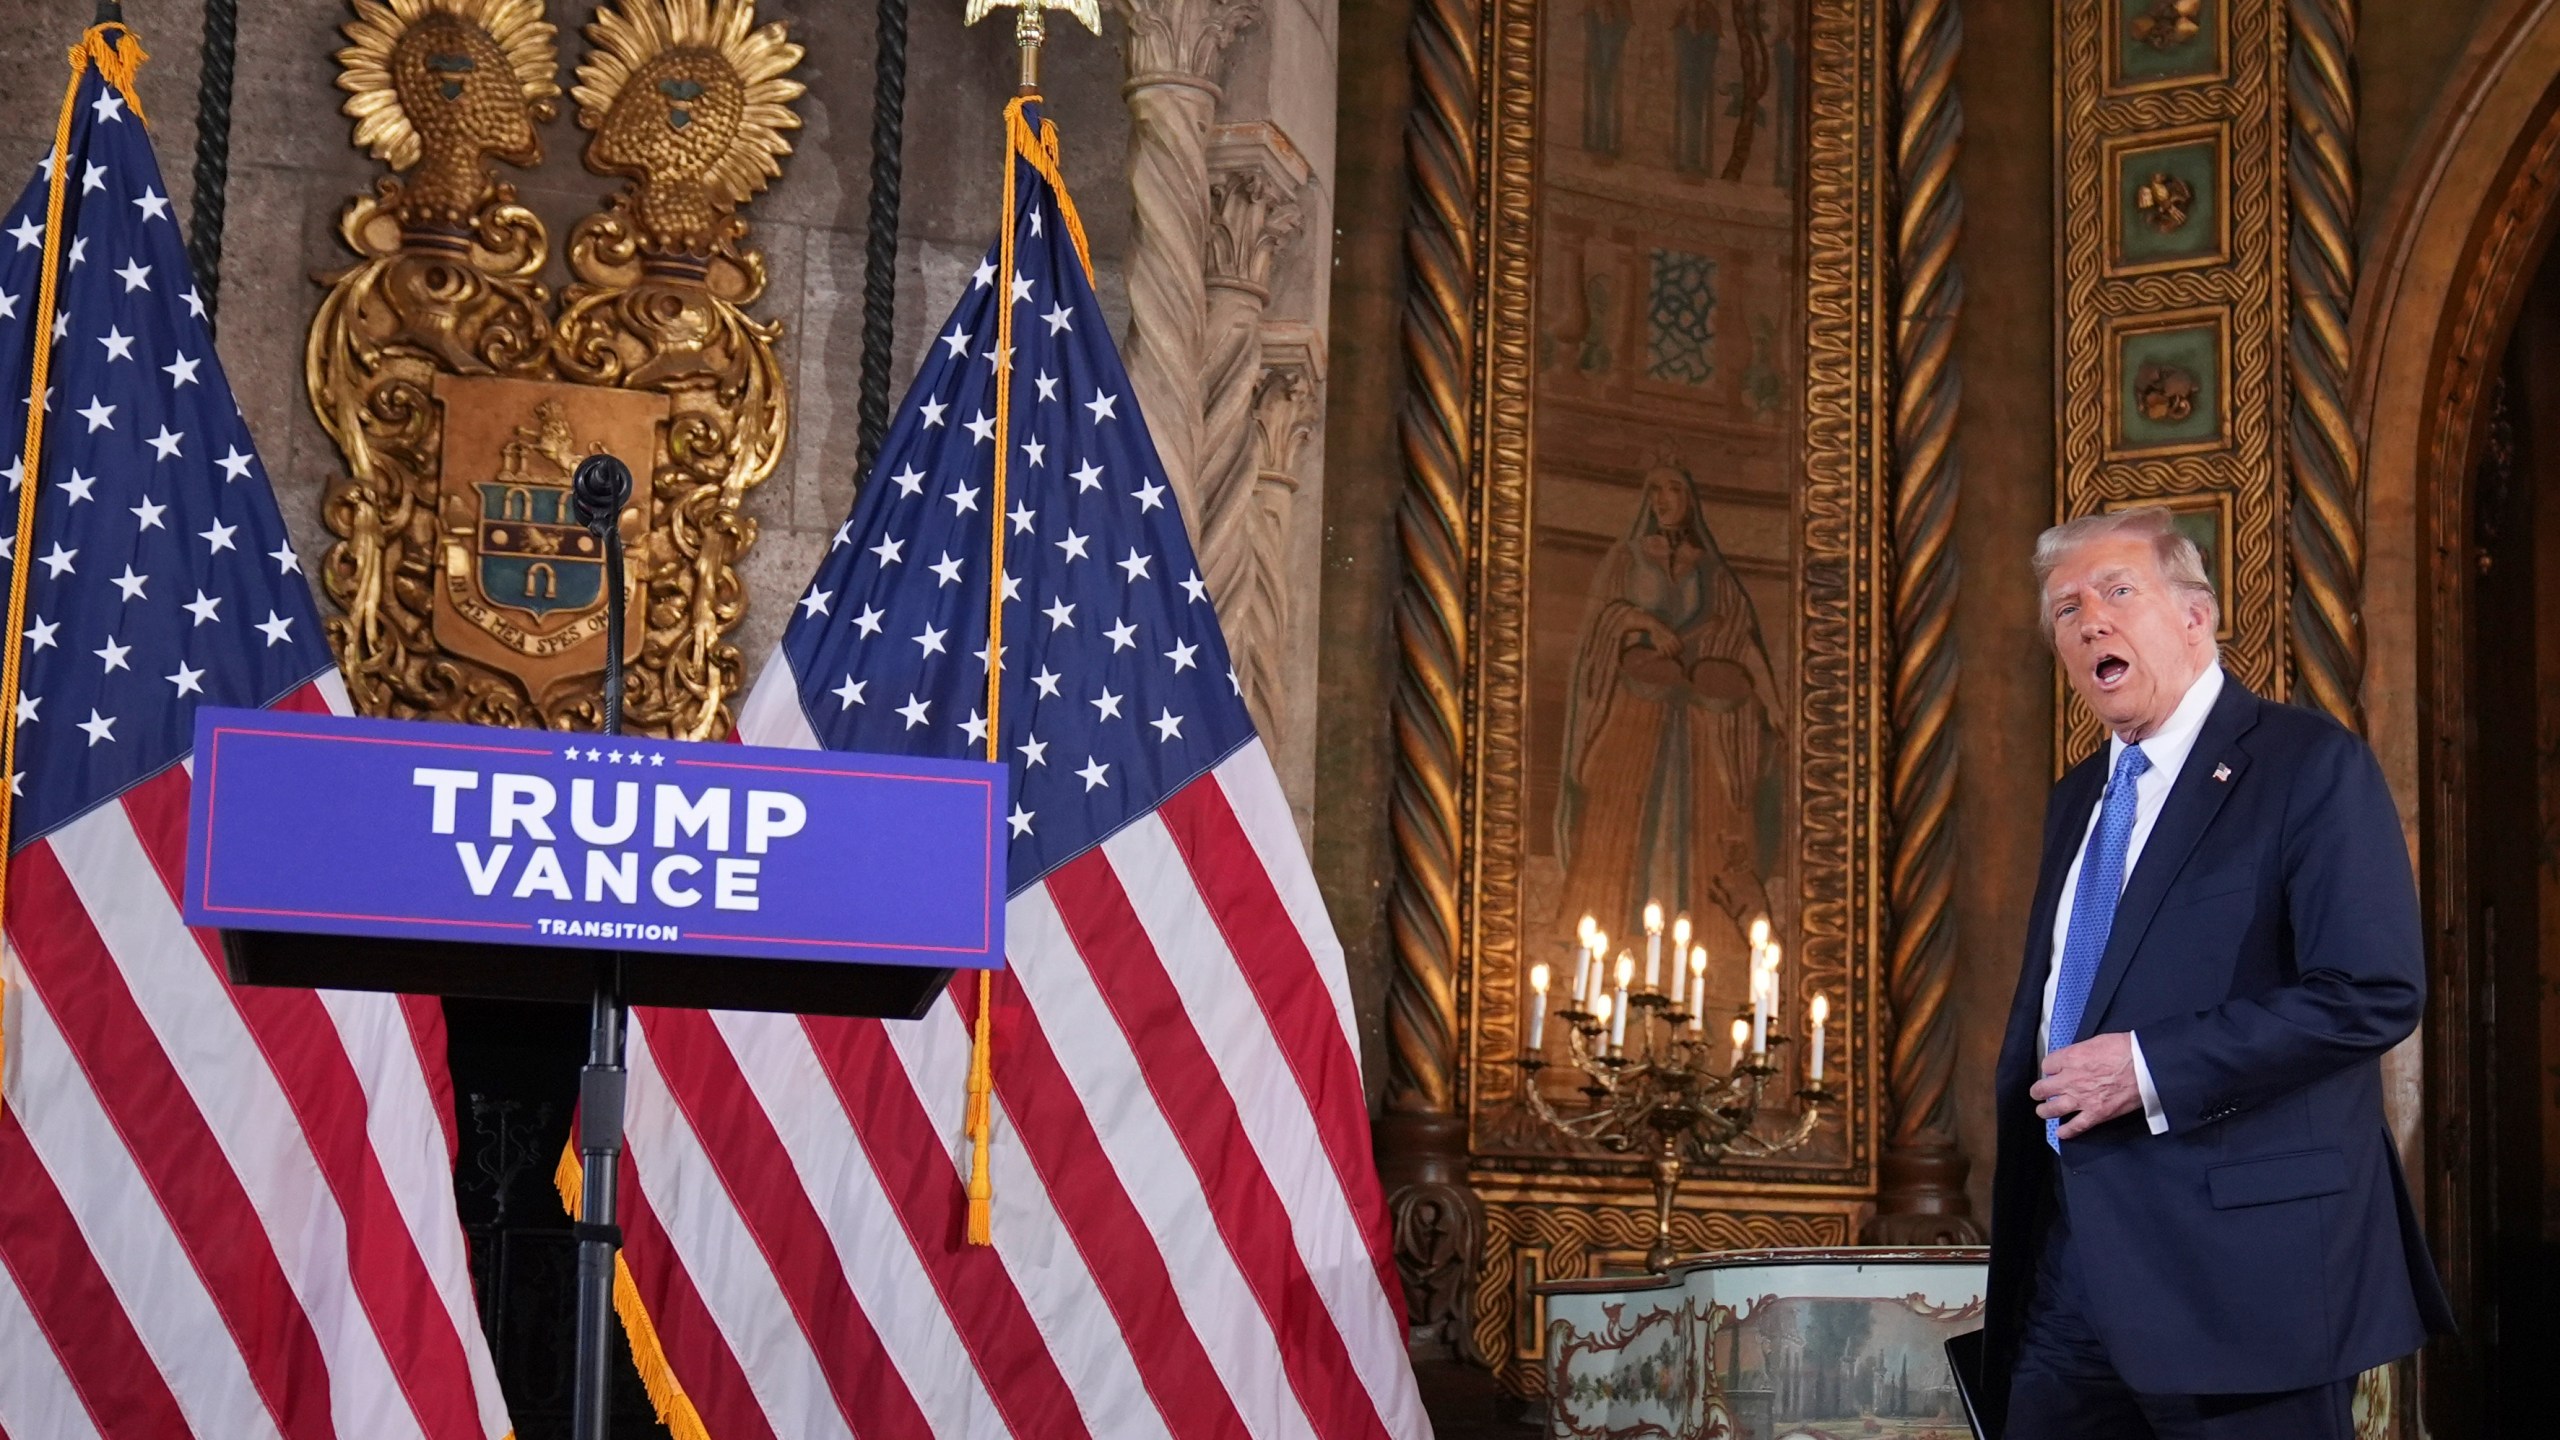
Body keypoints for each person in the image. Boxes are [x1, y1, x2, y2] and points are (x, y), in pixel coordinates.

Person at [1980, 507, 2452, 1439]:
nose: (2090, 622)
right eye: (2066, 609)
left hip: (2245, 1281)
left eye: (2119, 591)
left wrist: (2148, 1069)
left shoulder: (2307, 765)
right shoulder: (2077, 800)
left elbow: (2372, 989)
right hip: (2072, 1271)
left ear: (2196, 617)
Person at [1554, 456, 1780, 948]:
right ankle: (1606, 924)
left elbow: (1739, 634)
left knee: (1702, 810)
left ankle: (1706, 929)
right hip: (1639, 708)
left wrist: (1771, 701)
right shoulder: (1627, 557)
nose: (1662, 499)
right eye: (1654, 490)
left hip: (1698, 717)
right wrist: (1643, 623)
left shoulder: (1713, 572)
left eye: (1673, 489)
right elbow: (1603, 621)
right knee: (1625, 805)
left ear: (1690, 501)